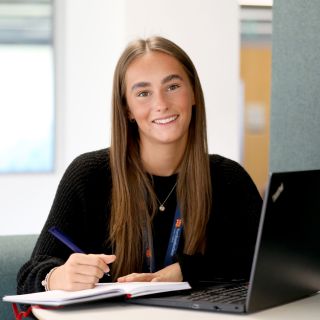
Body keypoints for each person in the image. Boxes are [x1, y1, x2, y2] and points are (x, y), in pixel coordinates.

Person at [17, 36, 262, 294]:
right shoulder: (88, 176)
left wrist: (187, 271)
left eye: (173, 86)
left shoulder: (229, 178)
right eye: (143, 93)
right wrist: (56, 277)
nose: (161, 104)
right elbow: (27, 279)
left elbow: (265, 262)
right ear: (128, 109)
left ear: (193, 94)